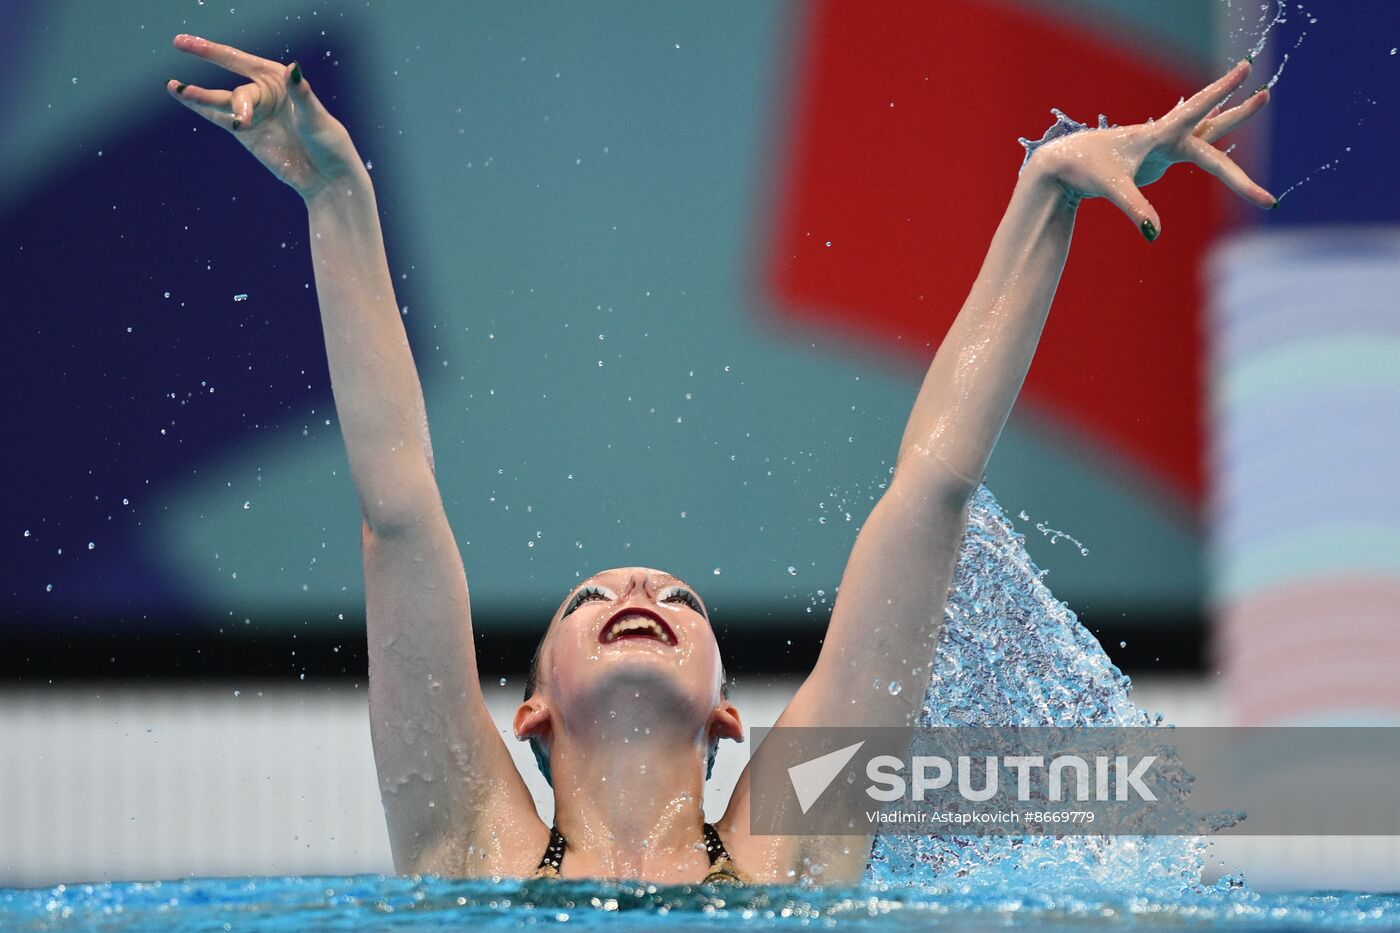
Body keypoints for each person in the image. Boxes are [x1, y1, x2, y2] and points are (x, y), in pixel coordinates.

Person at [166, 33, 1275, 884]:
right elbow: (398, 508)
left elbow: (929, 490)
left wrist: (1045, 189)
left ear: (730, 717)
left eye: (675, 597)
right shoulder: (466, 837)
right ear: (531, 711)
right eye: (592, 597)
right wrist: (337, 196)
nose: (639, 590)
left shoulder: (801, 834)